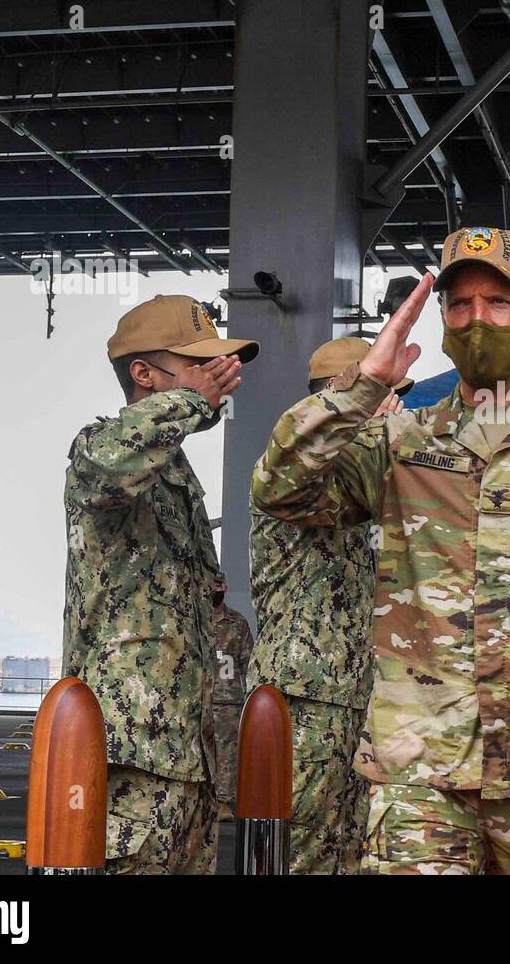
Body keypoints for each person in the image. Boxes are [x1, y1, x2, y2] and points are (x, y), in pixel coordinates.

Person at [252, 226, 510, 874]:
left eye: (498, 303)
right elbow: (279, 486)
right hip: (420, 776)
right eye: (460, 305)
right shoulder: (399, 441)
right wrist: (363, 383)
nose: (478, 320)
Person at [63, 294, 258, 874]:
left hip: (185, 748)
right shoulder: (100, 451)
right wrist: (192, 403)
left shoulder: (172, 466)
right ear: (145, 375)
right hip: (130, 746)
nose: (216, 377)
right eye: (197, 364)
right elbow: (107, 464)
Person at [247, 336, 408, 874]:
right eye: (391, 396)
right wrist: (367, 415)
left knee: (348, 852)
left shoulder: (366, 483)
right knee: (302, 856)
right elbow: (301, 469)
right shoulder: (301, 478)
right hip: (303, 701)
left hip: (352, 701)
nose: (399, 408)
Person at [210, 575, 253, 820]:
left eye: (219, 586)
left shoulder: (237, 623)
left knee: (227, 753)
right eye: (212, 585)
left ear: (225, 588)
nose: (216, 590)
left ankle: (224, 802)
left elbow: (248, 662)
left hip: (228, 700)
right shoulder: (197, 619)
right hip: (200, 700)